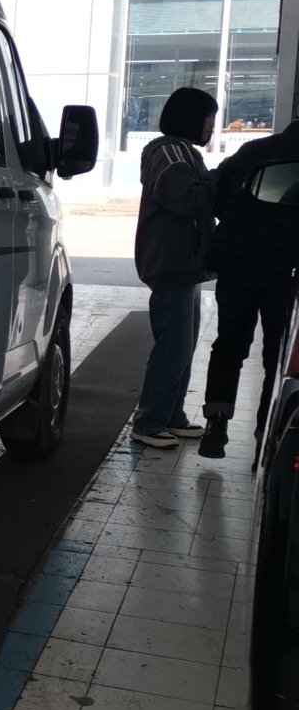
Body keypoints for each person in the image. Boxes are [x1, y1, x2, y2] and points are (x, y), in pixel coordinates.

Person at [198, 117, 299, 459]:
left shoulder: (253, 150)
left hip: (237, 262)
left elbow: (218, 197)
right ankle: (265, 437)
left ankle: (216, 423)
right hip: (286, 271)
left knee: (229, 343)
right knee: (278, 355)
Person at [130, 86, 218, 449]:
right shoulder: (168, 152)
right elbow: (186, 199)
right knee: (173, 347)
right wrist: (221, 178)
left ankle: (171, 415)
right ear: (191, 118)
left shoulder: (183, 152)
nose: (211, 125)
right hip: (171, 264)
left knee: (184, 345)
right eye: (209, 118)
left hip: (187, 265)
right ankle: (148, 421)